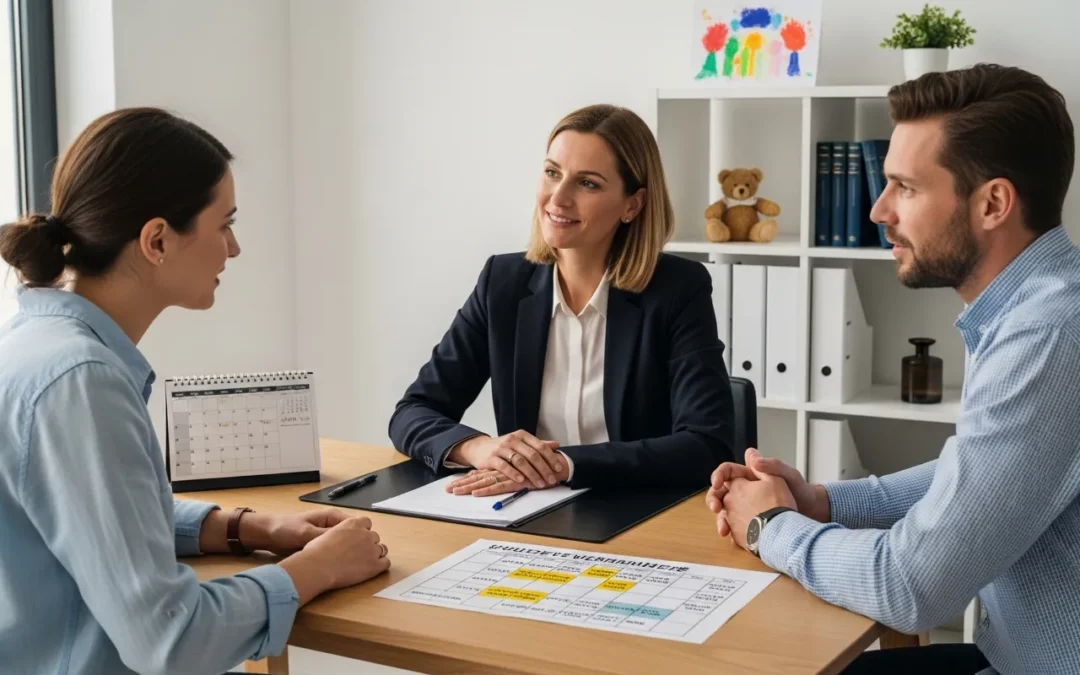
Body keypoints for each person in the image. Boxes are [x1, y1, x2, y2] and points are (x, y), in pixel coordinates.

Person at [707, 64, 1080, 675]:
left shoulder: (1049, 334)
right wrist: (824, 502)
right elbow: (984, 471)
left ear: (993, 203)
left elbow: (911, 588)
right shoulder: (1036, 307)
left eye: (904, 187)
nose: (879, 210)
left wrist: (769, 528)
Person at [0, 108, 391, 675]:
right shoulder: (82, 382)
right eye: (224, 224)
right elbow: (170, 639)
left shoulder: (33, 342)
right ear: (157, 240)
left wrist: (242, 527)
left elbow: (98, 520)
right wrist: (318, 569)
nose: (233, 249)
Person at [388, 103, 736, 496]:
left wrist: (564, 465)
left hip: (635, 514)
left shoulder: (676, 289)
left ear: (632, 205)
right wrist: (479, 447)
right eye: (553, 173)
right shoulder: (502, 283)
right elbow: (412, 413)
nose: (559, 197)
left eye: (587, 183)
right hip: (526, 514)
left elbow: (706, 445)